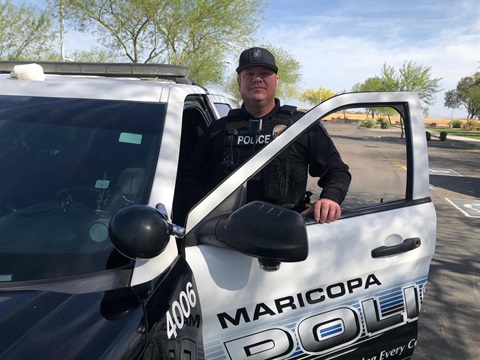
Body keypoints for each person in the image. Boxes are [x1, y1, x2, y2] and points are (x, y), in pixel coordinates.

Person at [179, 47, 351, 224]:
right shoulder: (218, 130)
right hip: (223, 232)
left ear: (276, 81)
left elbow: (337, 171)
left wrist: (330, 198)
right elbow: (191, 177)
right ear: (239, 81)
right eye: (249, 74)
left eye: (264, 73)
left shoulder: (301, 125)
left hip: (284, 233)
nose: (257, 79)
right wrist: (201, 215)